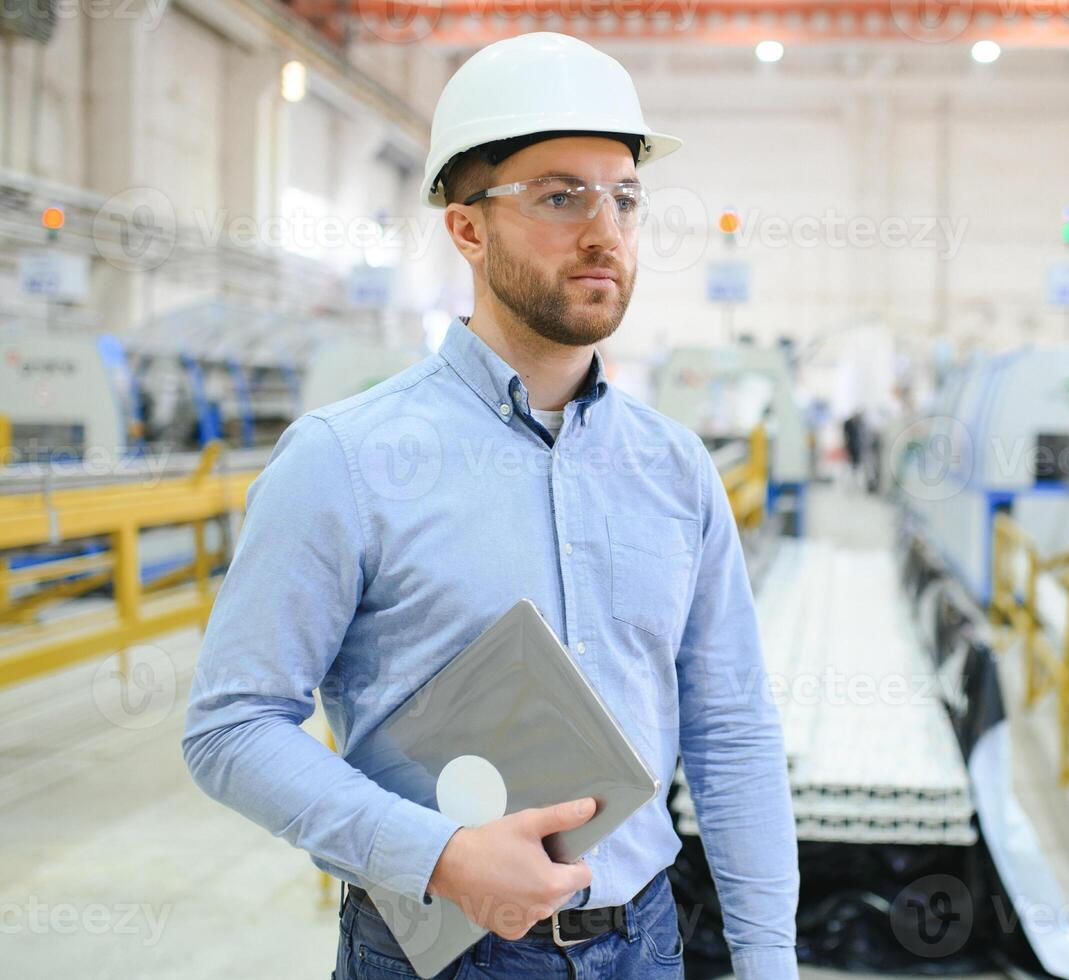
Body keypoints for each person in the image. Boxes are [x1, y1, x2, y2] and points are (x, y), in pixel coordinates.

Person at [182, 32, 799, 980]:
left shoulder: (676, 470)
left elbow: (731, 731)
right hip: (441, 953)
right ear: (467, 229)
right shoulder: (344, 461)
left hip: (647, 943)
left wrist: (768, 963)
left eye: (625, 198)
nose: (605, 231)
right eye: (560, 197)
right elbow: (232, 727)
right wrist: (436, 855)